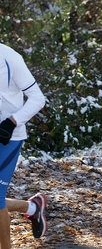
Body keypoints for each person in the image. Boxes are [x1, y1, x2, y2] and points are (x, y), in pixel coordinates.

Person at [0, 43, 47, 248]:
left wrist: (12, 121)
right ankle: (33, 208)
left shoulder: (10, 57)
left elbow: (38, 98)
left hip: (8, 138)